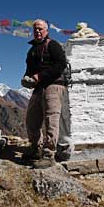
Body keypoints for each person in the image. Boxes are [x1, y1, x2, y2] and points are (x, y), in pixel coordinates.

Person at [22, 19, 67, 169]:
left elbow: (61, 65)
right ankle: (35, 148)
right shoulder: (32, 50)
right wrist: (27, 79)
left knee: (51, 119)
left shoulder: (53, 45)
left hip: (53, 85)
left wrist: (40, 76)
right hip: (38, 87)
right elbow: (29, 71)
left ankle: (49, 154)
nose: (38, 31)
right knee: (31, 119)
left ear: (46, 31)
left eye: (40, 29)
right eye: (35, 29)